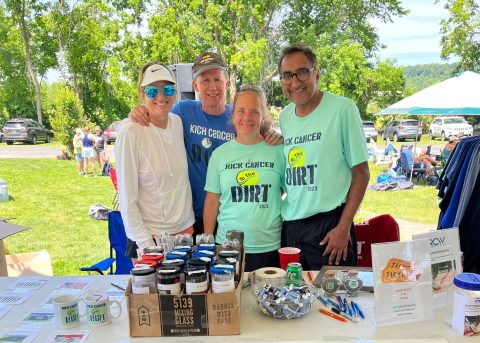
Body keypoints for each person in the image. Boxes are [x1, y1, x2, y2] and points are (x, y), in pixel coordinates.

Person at [129, 52, 282, 239]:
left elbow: (260, 134)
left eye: (217, 79)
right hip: (194, 215)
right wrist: (139, 110)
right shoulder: (182, 112)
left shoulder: (239, 117)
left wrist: (273, 135)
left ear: (226, 83)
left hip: (231, 214)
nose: (212, 87)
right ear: (195, 85)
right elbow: (159, 113)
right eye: (205, 80)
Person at [277, 44, 370, 269]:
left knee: (333, 301)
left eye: (302, 72)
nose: (295, 82)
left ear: (316, 74)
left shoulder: (343, 109)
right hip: (291, 227)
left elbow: (362, 173)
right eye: (287, 75)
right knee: (293, 298)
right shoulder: (285, 116)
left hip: (330, 228)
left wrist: (343, 227)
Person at [115, 62, 195, 257]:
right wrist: (146, 246)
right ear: (142, 95)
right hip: (150, 237)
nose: (161, 96)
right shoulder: (131, 132)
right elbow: (126, 199)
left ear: (175, 93)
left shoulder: (177, 122)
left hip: (185, 231)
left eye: (167, 89)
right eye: (152, 91)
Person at [203, 85, 285, 271]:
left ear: (262, 116)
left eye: (254, 111)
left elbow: (291, 192)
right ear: (233, 115)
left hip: (269, 246)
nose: (247, 117)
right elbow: (212, 200)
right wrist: (208, 242)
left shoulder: (279, 151)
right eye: (241, 111)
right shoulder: (219, 155)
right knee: (230, 300)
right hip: (227, 246)